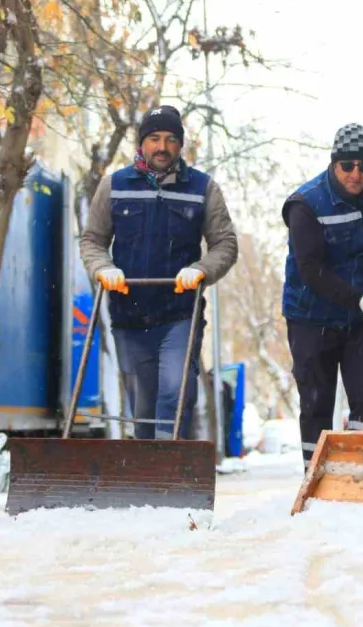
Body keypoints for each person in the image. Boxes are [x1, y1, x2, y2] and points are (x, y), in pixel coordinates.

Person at [80, 105, 238, 440]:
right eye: (154, 139)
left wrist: (200, 270)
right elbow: (92, 240)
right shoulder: (114, 186)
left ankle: (170, 474)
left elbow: (225, 244)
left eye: (170, 139)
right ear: (141, 144)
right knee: (142, 405)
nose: (162, 147)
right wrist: (103, 268)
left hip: (179, 313)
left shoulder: (202, 188)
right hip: (128, 314)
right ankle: (147, 478)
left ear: (180, 145)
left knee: (174, 392)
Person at [281, 123, 363, 470]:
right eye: (347, 166)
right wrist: (359, 298)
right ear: (334, 163)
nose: (356, 174)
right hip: (311, 314)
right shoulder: (305, 203)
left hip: (361, 319)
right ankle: (316, 473)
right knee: (316, 401)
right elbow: (310, 269)